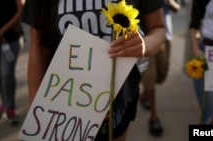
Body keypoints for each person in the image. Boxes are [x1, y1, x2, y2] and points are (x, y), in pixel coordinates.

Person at [22, 0, 165, 140]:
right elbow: (39, 46)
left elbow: (158, 28)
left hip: (117, 112)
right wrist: (38, 114)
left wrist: (145, 44)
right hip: (62, 116)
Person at [139, 0, 180, 136]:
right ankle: (153, 117)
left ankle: (144, 94)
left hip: (165, 36)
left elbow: (177, 8)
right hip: (145, 38)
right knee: (150, 77)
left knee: (161, 76)